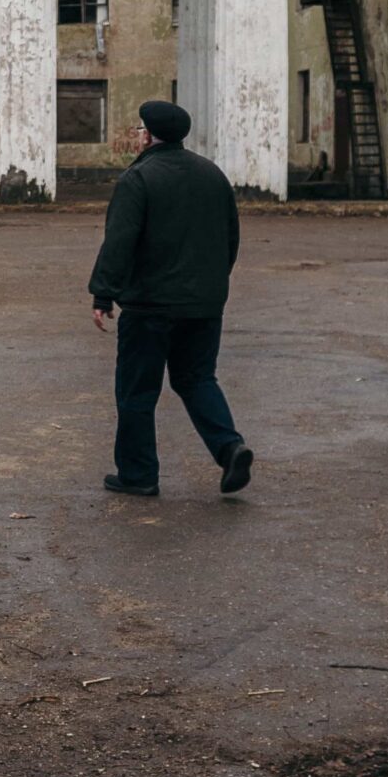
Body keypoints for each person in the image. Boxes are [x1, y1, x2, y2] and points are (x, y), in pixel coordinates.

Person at [87, 99, 251, 498]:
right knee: (197, 379)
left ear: (147, 135)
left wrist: (103, 293)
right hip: (204, 305)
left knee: (137, 391)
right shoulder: (212, 175)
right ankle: (229, 447)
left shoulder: (139, 178)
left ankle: (138, 475)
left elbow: (120, 242)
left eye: (140, 130)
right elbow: (230, 238)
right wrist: (209, 285)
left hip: (150, 307)